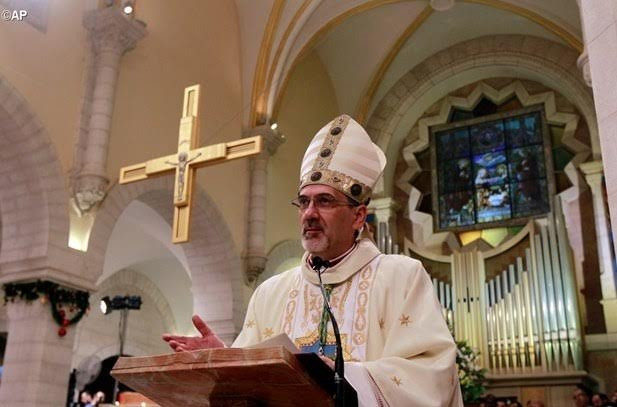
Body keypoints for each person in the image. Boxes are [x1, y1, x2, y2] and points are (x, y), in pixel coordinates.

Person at [163, 115, 463, 406]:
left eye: (325, 201)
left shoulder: (401, 277)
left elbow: (431, 375)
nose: (309, 213)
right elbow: (251, 382)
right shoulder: (270, 293)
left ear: (358, 216)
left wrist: (342, 377)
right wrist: (224, 358)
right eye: (304, 202)